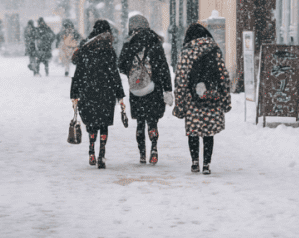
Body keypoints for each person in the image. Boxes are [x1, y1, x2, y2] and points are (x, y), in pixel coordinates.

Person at [173, 22, 231, 175]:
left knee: (193, 131)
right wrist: (225, 100)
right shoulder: (215, 50)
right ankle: (206, 164)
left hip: (193, 99)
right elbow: (223, 76)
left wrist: (179, 104)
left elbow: (181, 80)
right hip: (212, 97)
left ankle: (194, 162)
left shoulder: (186, 52)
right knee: (208, 133)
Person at [118, 14, 173, 165]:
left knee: (140, 122)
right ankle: (154, 146)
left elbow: (121, 65)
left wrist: (134, 71)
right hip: (154, 88)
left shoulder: (129, 43)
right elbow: (163, 68)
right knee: (152, 120)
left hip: (137, 88)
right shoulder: (155, 43)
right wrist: (168, 89)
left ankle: (142, 154)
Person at [70, 20, 126, 169]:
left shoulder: (85, 48)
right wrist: (120, 95)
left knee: (92, 123)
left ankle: (91, 151)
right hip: (106, 92)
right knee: (103, 124)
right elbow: (114, 74)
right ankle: (102, 153)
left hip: (88, 92)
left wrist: (74, 93)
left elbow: (78, 73)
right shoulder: (109, 50)